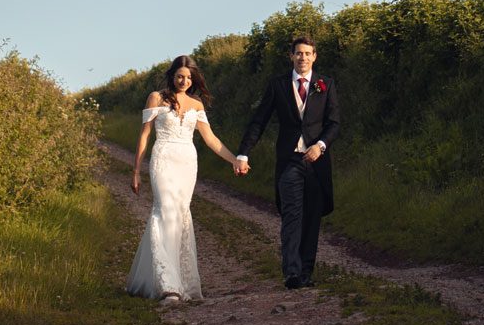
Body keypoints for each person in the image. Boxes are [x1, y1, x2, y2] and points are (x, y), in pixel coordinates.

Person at [125, 55, 238, 301]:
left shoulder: (196, 105)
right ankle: (168, 285)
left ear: (193, 79)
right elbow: (144, 136)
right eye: (180, 76)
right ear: (172, 75)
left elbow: (211, 140)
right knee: (164, 211)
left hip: (187, 162)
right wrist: (136, 171)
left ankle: (180, 281)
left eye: (189, 77)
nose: (184, 81)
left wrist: (234, 160)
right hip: (163, 158)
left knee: (179, 214)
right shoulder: (156, 97)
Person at [234, 34, 340, 289]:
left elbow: (334, 123)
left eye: (307, 53)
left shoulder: (326, 84)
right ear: (291, 56)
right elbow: (259, 120)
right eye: (298, 53)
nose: (303, 57)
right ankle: (292, 273)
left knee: (312, 218)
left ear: (314, 56)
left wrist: (320, 146)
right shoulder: (278, 85)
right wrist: (243, 152)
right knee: (292, 215)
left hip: (317, 162)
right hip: (289, 161)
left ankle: (306, 272)